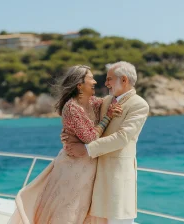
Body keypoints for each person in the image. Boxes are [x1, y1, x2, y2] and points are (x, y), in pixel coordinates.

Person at [7, 65, 122, 224]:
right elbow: (90, 138)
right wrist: (108, 117)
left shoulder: (94, 102)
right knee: (68, 210)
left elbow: (108, 101)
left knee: (82, 211)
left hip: (87, 166)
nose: (95, 81)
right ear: (79, 85)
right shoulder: (72, 107)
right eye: (91, 78)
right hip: (72, 167)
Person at [62, 61, 150, 224]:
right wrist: (69, 134)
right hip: (95, 178)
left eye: (109, 79)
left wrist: (86, 149)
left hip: (118, 178)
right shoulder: (106, 101)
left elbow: (122, 137)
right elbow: (83, 115)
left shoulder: (139, 105)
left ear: (124, 80)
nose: (106, 83)